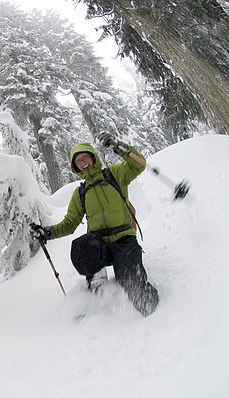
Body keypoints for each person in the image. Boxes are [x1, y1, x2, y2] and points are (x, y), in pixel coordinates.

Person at [30, 132, 159, 317]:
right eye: (78, 161)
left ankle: (155, 315)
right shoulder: (81, 193)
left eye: (85, 157)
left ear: (93, 157)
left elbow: (139, 164)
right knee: (82, 244)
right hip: (99, 247)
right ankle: (98, 288)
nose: (83, 162)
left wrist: (117, 146)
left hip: (124, 241)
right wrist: (47, 233)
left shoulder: (115, 174)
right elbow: (69, 224)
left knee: (134, 288)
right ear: (76, 167)